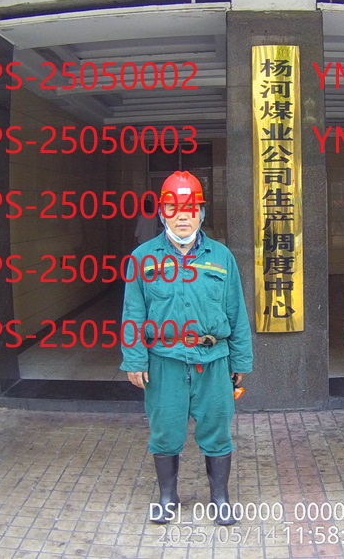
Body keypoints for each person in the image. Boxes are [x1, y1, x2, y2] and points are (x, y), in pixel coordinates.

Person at [120, 171, 253, 525]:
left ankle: (220, 498)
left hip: (213, 360)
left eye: (190, 209)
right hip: (164, 361)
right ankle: (168, 496)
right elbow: (133, 312)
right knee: (165, 430)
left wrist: (241, 360)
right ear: (162, 213)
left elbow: (236, 311)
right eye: (173, 208)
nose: (182, 216)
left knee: (217, 429)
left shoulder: (221, 257)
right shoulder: (142, 258)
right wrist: (134, 359)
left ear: (201, 214)